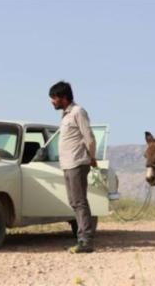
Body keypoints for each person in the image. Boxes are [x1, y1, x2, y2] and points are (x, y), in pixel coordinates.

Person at [49, 81, 97, 253]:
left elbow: (89, 137)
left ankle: (86, 240)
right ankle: (83, 238)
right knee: (74, 201)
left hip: (77, 162)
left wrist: (92, 157)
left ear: (63, 97)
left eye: (54, 98)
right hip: (68, 164)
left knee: (79, 201)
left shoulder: (78, 112)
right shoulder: (66, 115)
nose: (52, 102)